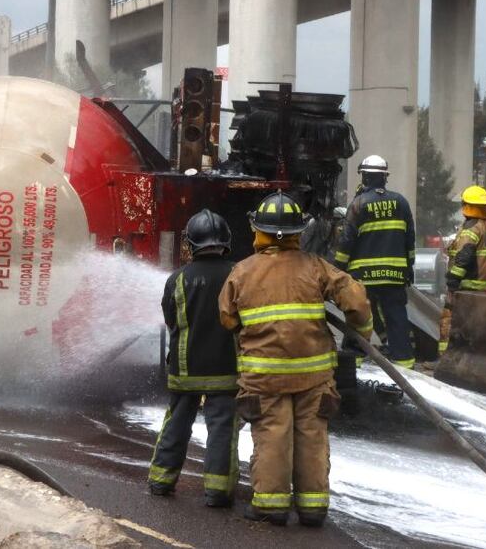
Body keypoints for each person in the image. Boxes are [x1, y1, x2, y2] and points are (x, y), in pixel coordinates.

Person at [219, 191, 372, 528]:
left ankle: (271, 506)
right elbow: (357, 302)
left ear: (258, 231)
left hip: (264, 376)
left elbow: (227, 319)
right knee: (312, 436)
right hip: (314, 375)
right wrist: (364, 332)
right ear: (297, 234)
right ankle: (313, 508)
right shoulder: (316, 267)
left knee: (273, 434)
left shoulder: (241, 272)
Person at [148, 210, 239, 507]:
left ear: (191, 244)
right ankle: (217, 491)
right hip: (226, 369)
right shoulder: (239, 274)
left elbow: (171, 321)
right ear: (225, 240)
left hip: (184, 368)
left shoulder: (177, 279)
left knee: (176, 423)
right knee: (222, 428)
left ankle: (161, 481)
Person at [332, 155, 417, 368]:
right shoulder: (401, 202)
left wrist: (338, 270)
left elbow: (346, 241)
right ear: (385, 178)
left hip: (364, 276)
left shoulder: (358, 204)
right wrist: (409, 267)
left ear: (366, 177)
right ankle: (404, 362)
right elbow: (410, 239)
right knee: (396, 316)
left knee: (359, 314)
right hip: (396, 274)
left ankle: (354, 359)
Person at [439, 186, 486, 355]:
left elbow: (464, 256)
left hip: (466, 285)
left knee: (448, 320)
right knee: (475, 326)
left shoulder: (471, 228)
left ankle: (444, 359)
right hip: (483, 286)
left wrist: (452, 279)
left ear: (467, 205)